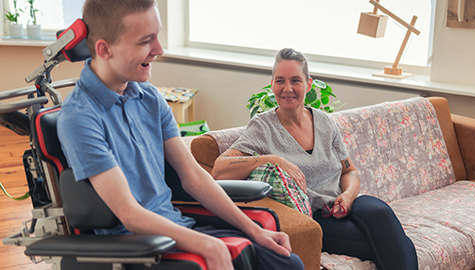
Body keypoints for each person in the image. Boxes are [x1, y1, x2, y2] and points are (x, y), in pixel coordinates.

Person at [56, 1, 304, 269]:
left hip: (178, 226)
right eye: (146, 41)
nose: (159, 50)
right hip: (137, 247)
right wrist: (208, 245)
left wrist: (255, 230)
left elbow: (194, 176)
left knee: (288, 264)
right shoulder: (80, 117)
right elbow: (129, 214)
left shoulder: (149, 97)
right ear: (105, 49)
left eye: (157, 36)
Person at [212, 48, 419, 270]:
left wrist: (348, 196)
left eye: (295, 81)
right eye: (280, 81)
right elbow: (219, 170)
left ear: (308, 84)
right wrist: (272, 159)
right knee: (394, 243)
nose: (287, 88)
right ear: (272, 84)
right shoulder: (263, 127)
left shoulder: (324, 122)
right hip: (316, 217)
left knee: (381, 212)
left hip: (346, 204)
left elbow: (349, 171)